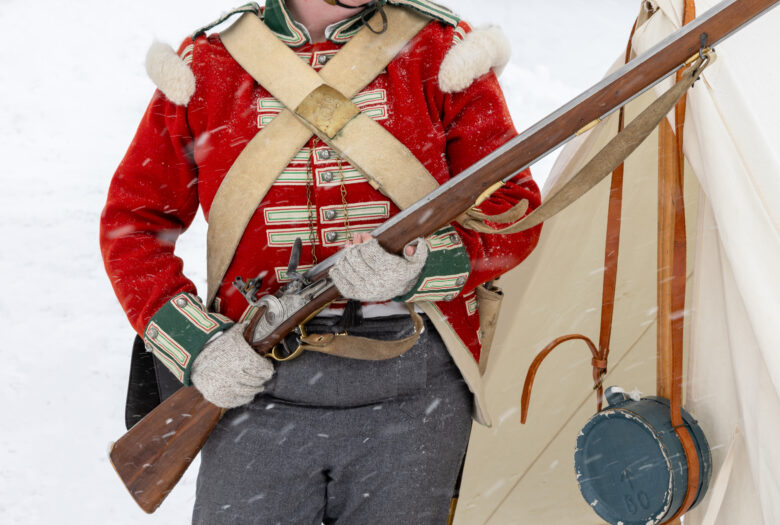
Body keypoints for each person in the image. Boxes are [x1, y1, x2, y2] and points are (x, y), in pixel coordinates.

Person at [100, 0, 542, 522]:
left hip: (416, 385)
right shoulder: (209, 63)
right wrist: (201, 347)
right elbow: (133, 225)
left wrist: (421, 265)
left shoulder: (441, 50)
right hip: (255, 386)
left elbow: (512, 210)